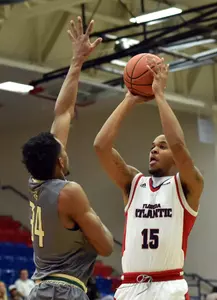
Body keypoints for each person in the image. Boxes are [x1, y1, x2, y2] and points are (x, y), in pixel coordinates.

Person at [94, 58, 204, 300]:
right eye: (152, 146)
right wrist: (129, 99)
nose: (153, 150)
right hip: (131, 287)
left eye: (162, 147)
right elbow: (101, 146)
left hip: (169, 286)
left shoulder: (188, 185)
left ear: (175, 157)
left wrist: (160, 97)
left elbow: (179, 144)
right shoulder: (133, 182)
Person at [22, 17, 113, 300]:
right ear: (60, 162)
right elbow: (107, 246)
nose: (66, 150)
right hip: (65, 290)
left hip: (40, 289)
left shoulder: (36, 180)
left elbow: (62, 113)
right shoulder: (69, 192)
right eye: (63, 151)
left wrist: (77, 62)